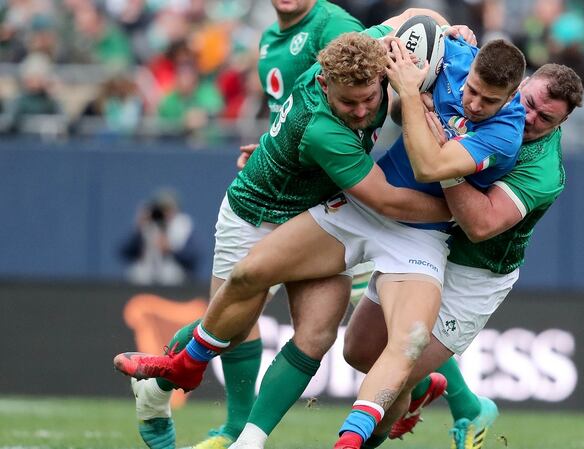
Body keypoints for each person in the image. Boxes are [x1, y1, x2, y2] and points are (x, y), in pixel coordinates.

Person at [114, 25, 526, 449]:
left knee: (372, 342)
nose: (365, 111)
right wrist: (462, 209)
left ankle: (271, 439)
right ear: (325, 83)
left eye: (371, 98)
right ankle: (185, 373)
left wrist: (445, 35)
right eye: (472, 91)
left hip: (404, 228)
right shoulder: (322, 127)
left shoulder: (499, 125)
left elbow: (429, 164)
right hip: (291, 207)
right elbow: (388, 199)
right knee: (246, 287)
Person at [127, 2, 367, 449]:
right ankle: (165, 394)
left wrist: (437, 22)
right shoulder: (268, 40)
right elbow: (297, 116)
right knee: (232, 321)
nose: (363, 106)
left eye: (369, 98)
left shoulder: (333, 25)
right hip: (262, 202)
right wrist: (273, 145)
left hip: (319, 207)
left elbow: (363, 64)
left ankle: (242, 437)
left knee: (317, 331)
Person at [342, 62, 583, 449]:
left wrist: (444, 162)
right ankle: (458, 401)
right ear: (519, 85)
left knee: (392, 380)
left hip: (475, 272)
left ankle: (442, 402)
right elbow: (432, 59)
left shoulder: (543, 171)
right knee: (358, 352)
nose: (531, 117)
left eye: (545, 117)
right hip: (429, 241)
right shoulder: (489, 95)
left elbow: (481, 225)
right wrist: (445, 31)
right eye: (530, 102)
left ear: (560, 124)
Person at [120, 189, 200, 285]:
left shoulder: (183, 225)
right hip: (147, 276)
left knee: (171, 275)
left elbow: (193, 257)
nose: (164, 213)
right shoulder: (148, 225)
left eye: (168, 209)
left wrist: (170, 249)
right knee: (136, 274)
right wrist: (138, 230)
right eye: (161, 209)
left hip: (175, 279)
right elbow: (126, 252)